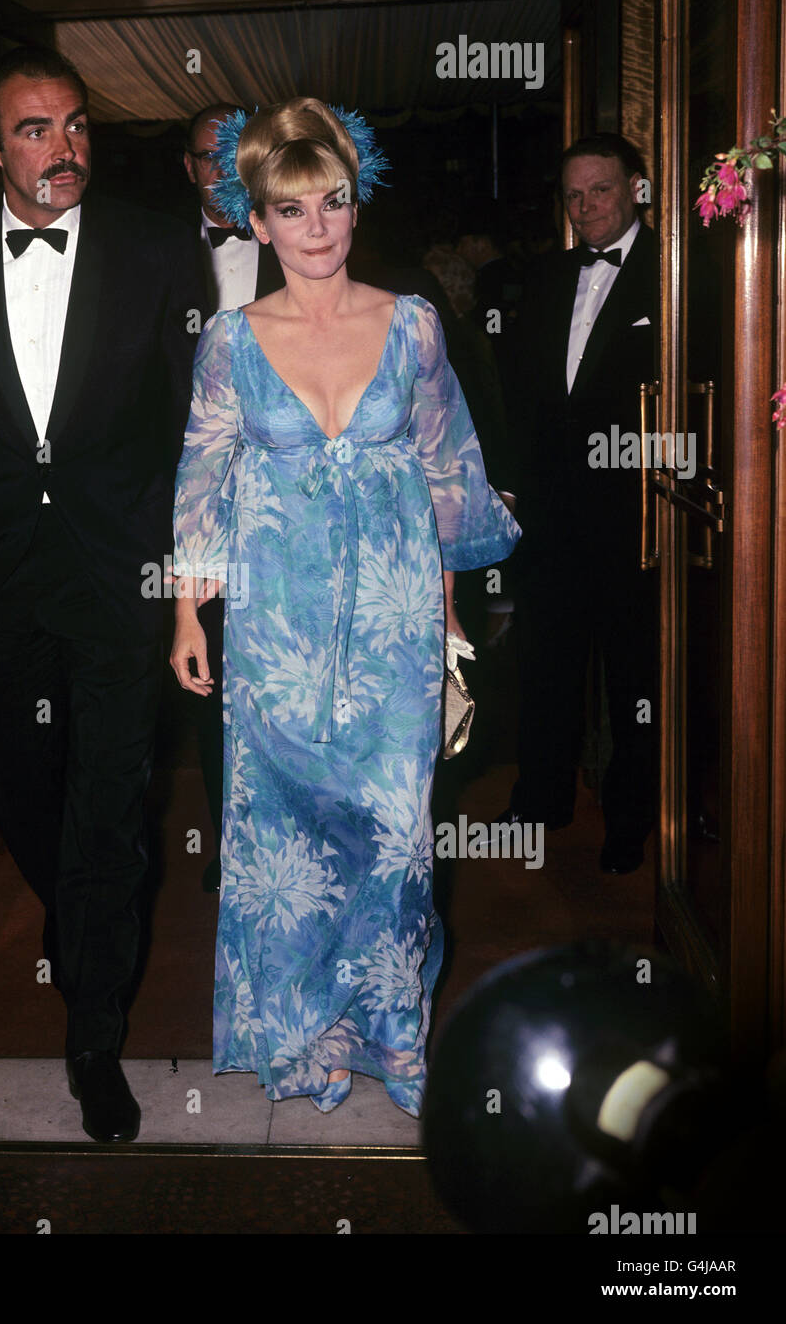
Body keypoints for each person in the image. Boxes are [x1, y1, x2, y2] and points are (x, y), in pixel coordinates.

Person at [169, 99, 519, 1115]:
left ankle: (393, 1030)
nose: (316, 227)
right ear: (256, 220)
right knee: (286, 832)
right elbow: (202, 479)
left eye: (333, 202)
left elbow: (449, 471)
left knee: (394, 834)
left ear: (355, 208)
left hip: (396, 613)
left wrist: (451, 618)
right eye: (291, 209)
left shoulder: (410, 322)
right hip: (277, 621)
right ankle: (306, 1030)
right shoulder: (230, 340)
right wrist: (188, 614)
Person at [0, 46, 206, 1143]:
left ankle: (93, 1035)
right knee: (13, 777)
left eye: (75, 126)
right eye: (34, 130)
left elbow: (190, 426)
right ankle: (81, 931)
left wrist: (182, 570)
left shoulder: (160, 250)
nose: (63, 148)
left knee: (112, 801)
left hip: (120, 574)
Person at [498, 133, 658, 875]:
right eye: (572, 194)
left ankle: (631, 821)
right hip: (548, 513)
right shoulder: (543, 276)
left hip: (634, 517)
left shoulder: (676, 271)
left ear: (635, 188)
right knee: (545, 663)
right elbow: (519, 396)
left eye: (599, 189)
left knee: (634, 677)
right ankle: (540, 799)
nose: (585, 206)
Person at [181, 103, 284, 893]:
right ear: (190, 168)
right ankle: (235, 845)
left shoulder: (304, 241)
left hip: (293, 507)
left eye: (234, 155)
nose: (221, 170)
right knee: (211, 692)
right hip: (196, 506)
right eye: (207, 157)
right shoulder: (149, 255)